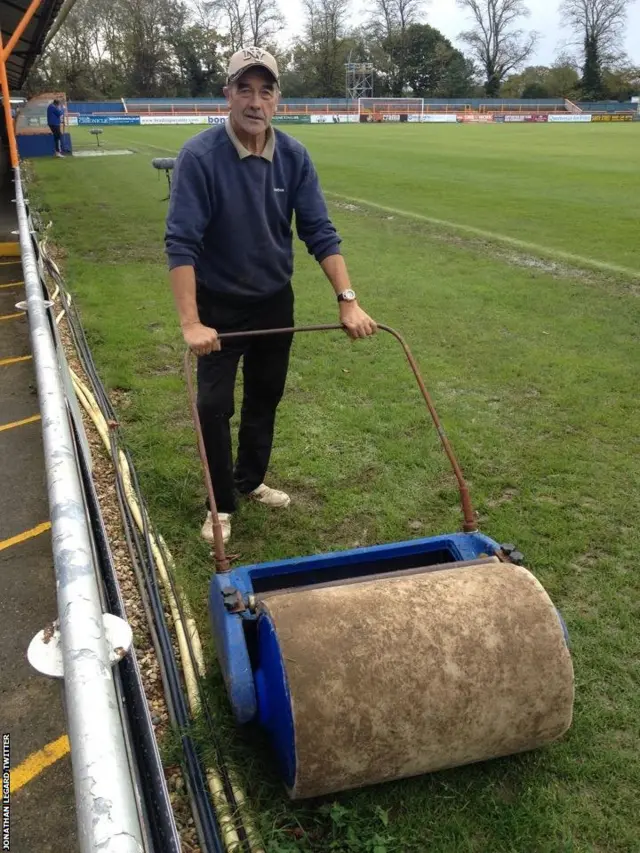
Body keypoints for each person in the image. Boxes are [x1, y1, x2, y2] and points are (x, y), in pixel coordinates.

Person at [164, 47, 377, 546]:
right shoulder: (199, 157)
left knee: (265, 396)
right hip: (218, 305)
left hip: (274, 302)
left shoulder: (295, 156)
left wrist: (347, 298)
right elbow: (182, 244)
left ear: (277, 99)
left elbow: (319, 231)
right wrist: (191, 323)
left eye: (266, 90)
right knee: (214, 405)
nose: (255, 101)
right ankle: (221, 503)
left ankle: (250, 480)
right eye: (245, 89)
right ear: (228, 96)